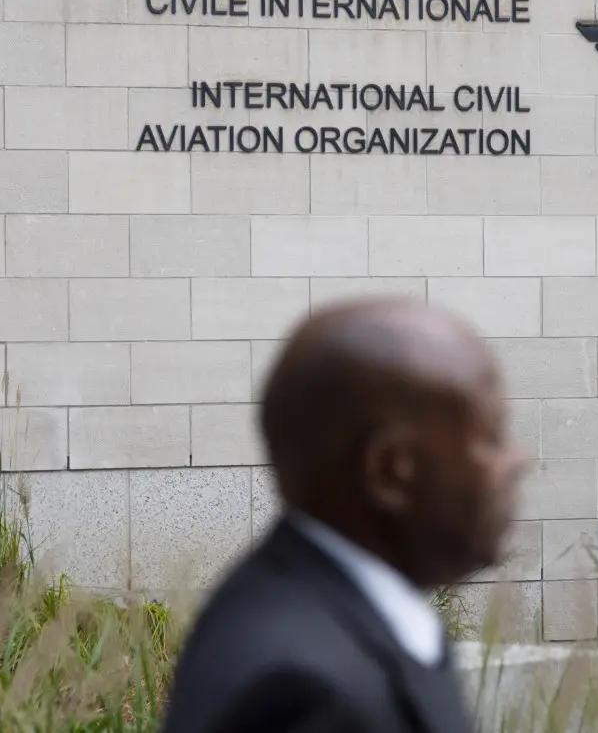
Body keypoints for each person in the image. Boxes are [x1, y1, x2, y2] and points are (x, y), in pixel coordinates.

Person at [162, 297, 528, 733]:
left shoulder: (346, 620)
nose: (518, 462)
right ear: (391, 472)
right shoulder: (302, 691)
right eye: (491, 438)